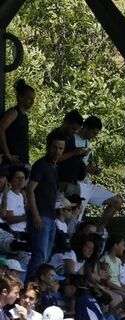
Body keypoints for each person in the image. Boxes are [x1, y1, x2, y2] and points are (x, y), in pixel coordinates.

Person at [25, 130, 67, 279]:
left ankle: (37, 288)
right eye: (55, 147)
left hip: (50, 216)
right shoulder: (41, 165)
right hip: (41, 215)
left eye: (61, 148)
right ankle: (30, 288)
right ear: (49, 146)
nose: (57, 151)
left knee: (45, 257)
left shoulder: (54, 167)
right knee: (39, 256)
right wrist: (35, 215)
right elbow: (30, 188)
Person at [0, 79, 35, 167]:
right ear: (20, 97)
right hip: (11, 162)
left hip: (21, 161)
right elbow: (0, 129)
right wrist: (7, 154)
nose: (32, 101)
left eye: (33, 99)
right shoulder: (14, 112)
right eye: (29, 98)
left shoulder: (24, 116)